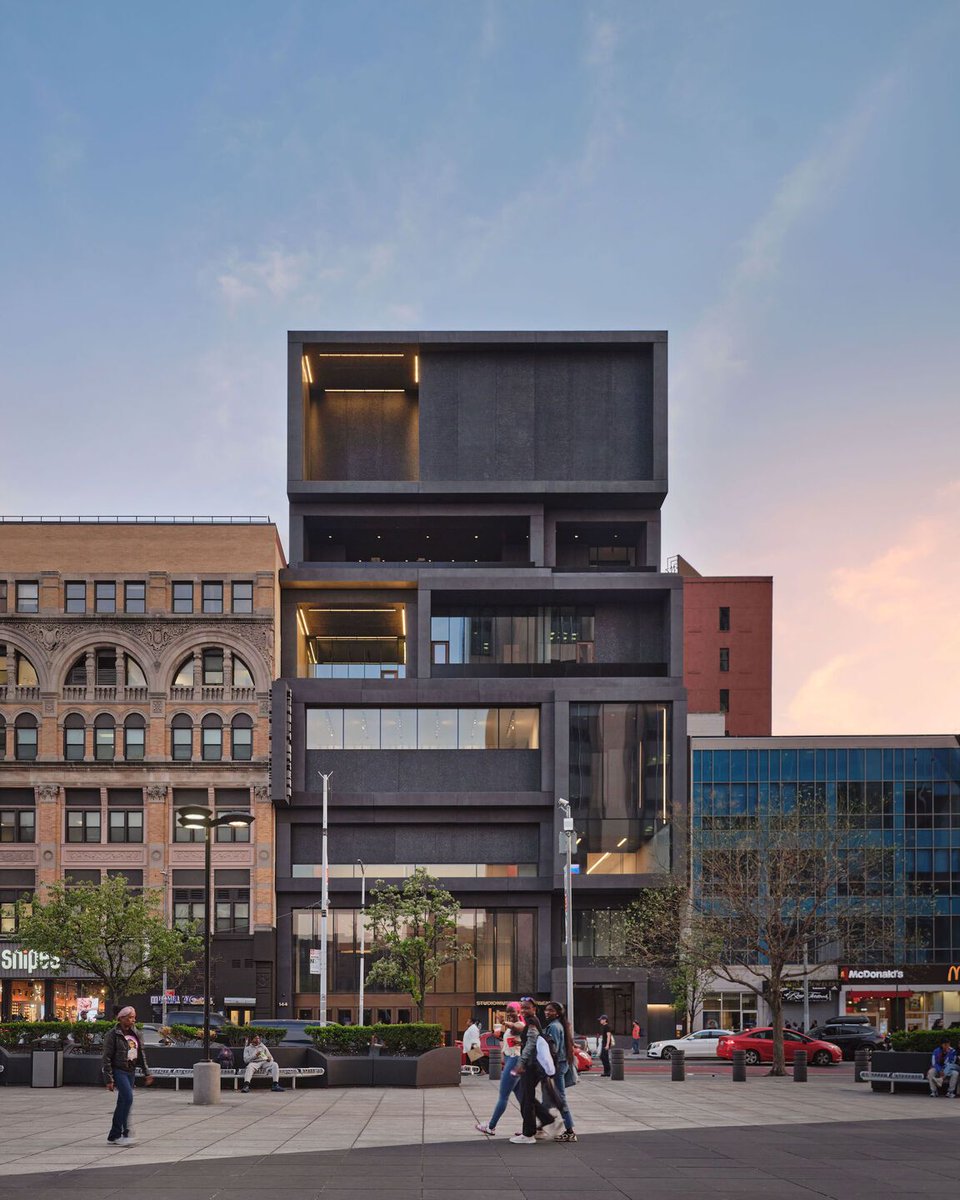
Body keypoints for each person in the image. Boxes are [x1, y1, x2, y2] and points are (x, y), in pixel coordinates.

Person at [102, 1006, 154, 1145]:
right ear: (121, 1018)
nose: (133, 1020)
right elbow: (106, 1057)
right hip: (119, 1070)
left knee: (122, 1102)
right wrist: (109, 1079)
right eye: (130, 1017)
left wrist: (147, 1072)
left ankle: (114, 1135)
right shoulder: (112, 1034)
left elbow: (141, 1054)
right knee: (128, 1099)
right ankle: (126, 1133)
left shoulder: (136, 1033)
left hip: (130, 1071)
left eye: (134, 1017)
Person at [510, 1000, 560, 1144]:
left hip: (530, 1066)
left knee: (526, 1098)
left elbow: (532, 1043)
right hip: (534, 1065)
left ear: (534, 1009)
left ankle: (528, 1134)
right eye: (522, 1008)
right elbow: (532, 1041)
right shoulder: (533, 1021)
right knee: (528, 1097)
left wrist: (521, 1063)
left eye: (527, 1008)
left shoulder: (532, 1021)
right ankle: (545, 1119)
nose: (524, 1010)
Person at [476, 1002, 524, 1137]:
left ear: (519, 1012)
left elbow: (518, 1028)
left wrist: (504, 1022)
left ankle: (491, 1126)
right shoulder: (511, 1026)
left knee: (503, 1096)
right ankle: (530, 1126)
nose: (509, 1013)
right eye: (508, 1011)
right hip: (512, 1061)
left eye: (512, 1011)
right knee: (521, 1098)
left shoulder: (520, 1024)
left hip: (513, 1062)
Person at [544, 1001, 578, 1142]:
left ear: (557, 1013)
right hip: (561, 1064)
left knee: (560, 1099)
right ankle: (540, 1125)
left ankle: (570, 1131)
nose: (547, 1012)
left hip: (557, 1066)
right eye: (546, 1010)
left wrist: (548, 1067)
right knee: (551, 1097)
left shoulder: (553, 1027)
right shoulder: (560, 1025)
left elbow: (554, 1049)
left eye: (551, 1010)